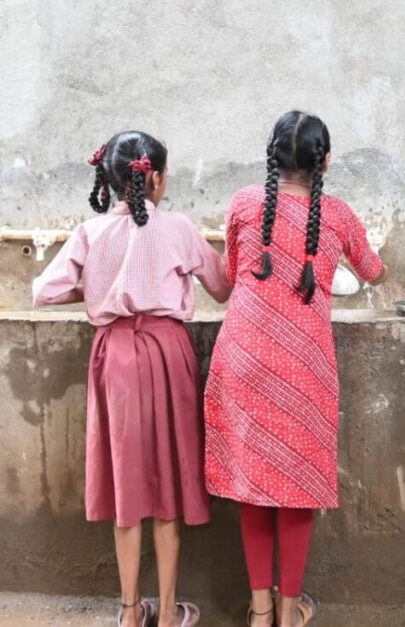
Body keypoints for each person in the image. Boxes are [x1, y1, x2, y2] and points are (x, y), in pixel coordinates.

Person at [32, 130, 231, 627]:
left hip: (115, 355)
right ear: (156, 178)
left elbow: (43, 291)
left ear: (112, 179)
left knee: (127, 482)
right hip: (167, 352)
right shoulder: (180, 228)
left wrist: (98, 289)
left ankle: (127, 612)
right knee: (167, 481)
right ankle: (167, 613)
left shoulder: (91, 233)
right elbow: (223, 288)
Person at [204, 110, 387, 627]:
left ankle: (259, 612)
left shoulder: (244, 203)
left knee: (254, 487)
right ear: (325, 161)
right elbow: (373, 271)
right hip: (303, 365)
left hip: (243, 357)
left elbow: (232, 276)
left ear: (271, 158)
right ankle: (289, 613)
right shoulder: (339, 215)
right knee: (297, 487)